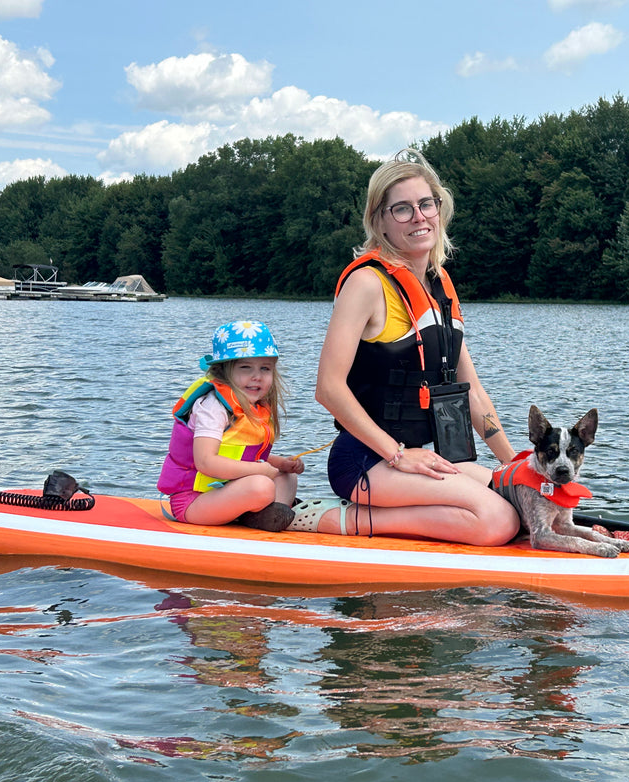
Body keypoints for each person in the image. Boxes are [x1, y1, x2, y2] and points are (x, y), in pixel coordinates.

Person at [288, 149, 520, 545]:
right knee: (498, 521)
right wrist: (397, 454)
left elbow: (474, 394)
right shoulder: (366, 284)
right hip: (364, 461)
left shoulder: (440, 284)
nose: (418, 216)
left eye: (425, 203)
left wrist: (515, 465)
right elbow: (328, 388)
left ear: (439, 209)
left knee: (519, 499)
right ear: (379, 220)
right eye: (401, 209)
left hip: (422, 458)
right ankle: (331, 517)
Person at [158, 320, 304, 531]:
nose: (257, 376)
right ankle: (265, 514)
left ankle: (269, 515)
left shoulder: (255, 407)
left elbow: (241, 455)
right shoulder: (213, 407)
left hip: (227, 492)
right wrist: (260, 470)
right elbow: (206, 462)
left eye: (265, 368)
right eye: (246, 368)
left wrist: (280, 464)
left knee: (286, 477)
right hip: (194, 501)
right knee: (261, 485)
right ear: (224, 371)